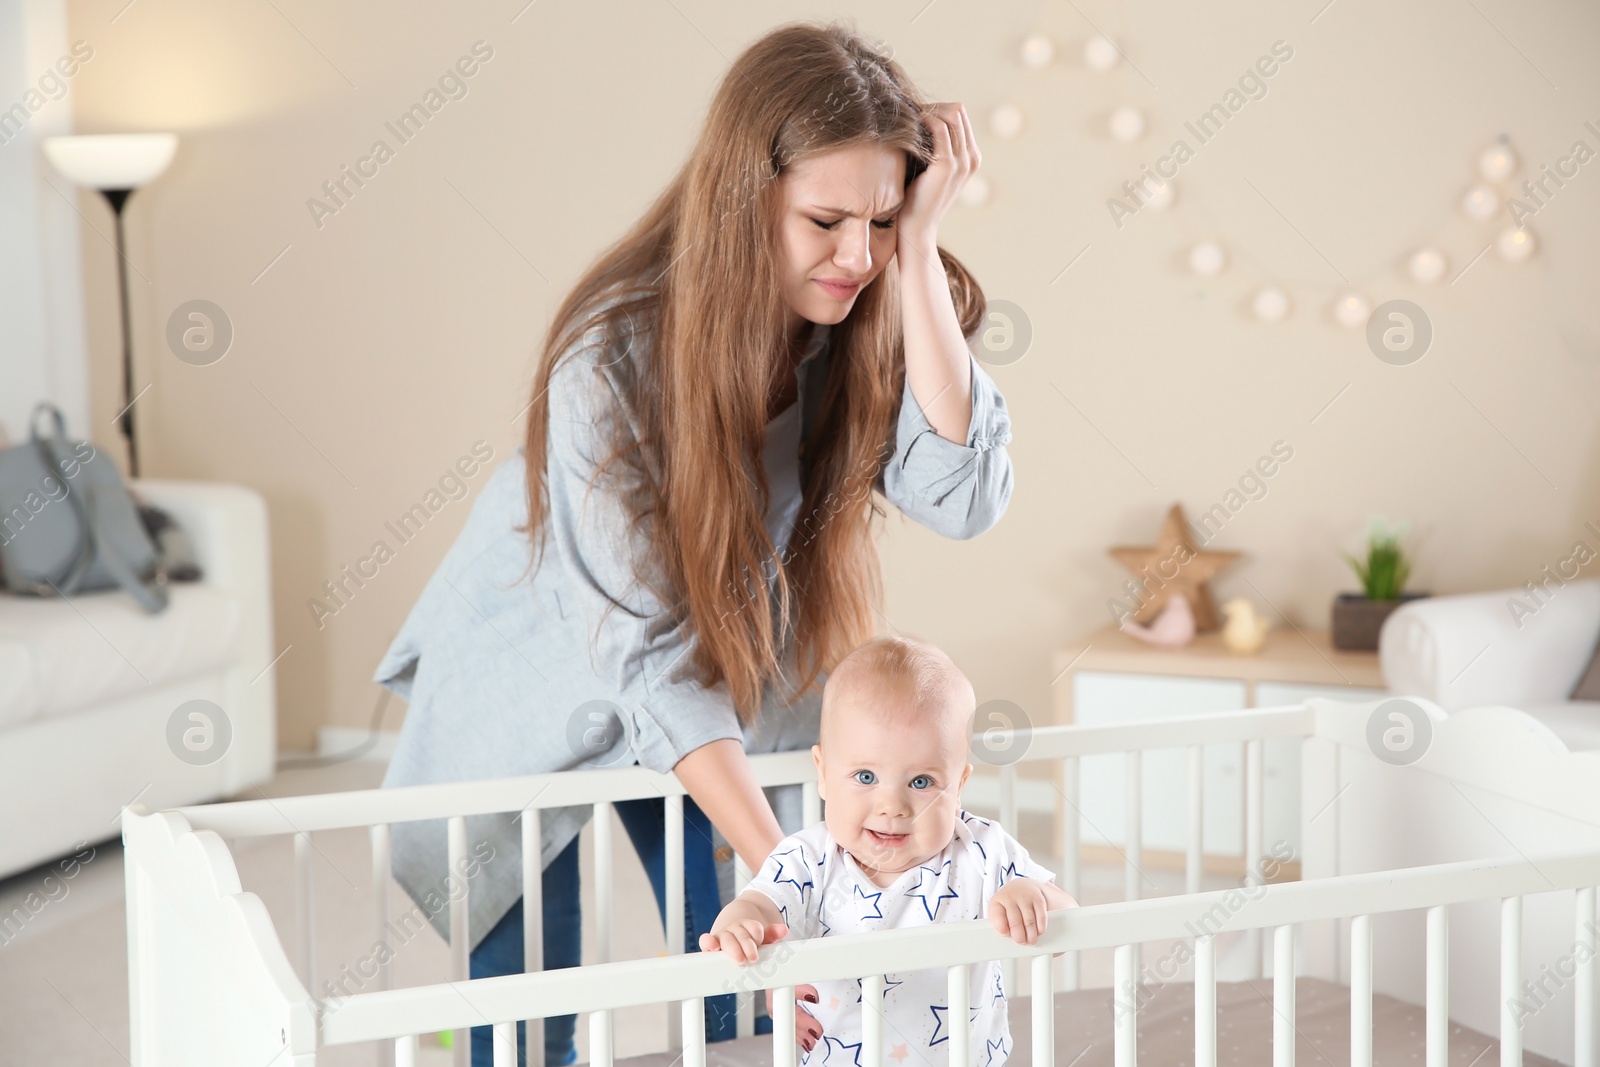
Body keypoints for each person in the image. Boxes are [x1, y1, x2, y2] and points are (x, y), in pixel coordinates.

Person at [371, 19, 1016, 1066]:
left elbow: (965, 496)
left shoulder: (864, 308)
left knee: (731, 982)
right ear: (742, 196)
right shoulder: (609, 356)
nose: (856, 254)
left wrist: (923, 251)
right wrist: (795, 881)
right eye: (824, 218)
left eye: (884, 218)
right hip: (546, 653)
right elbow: (642, 654)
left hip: (716, 659)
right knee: (531, 998)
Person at [699, 635, 1077, 1062]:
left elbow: (1068, 921)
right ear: (822, 773)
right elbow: (760, 905)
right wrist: (741, 923)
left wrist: (1032, 897)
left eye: (921, 782)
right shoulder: (807, 859)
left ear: (959, 787)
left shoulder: (982, 851)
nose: (892, 807)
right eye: (865, 777)